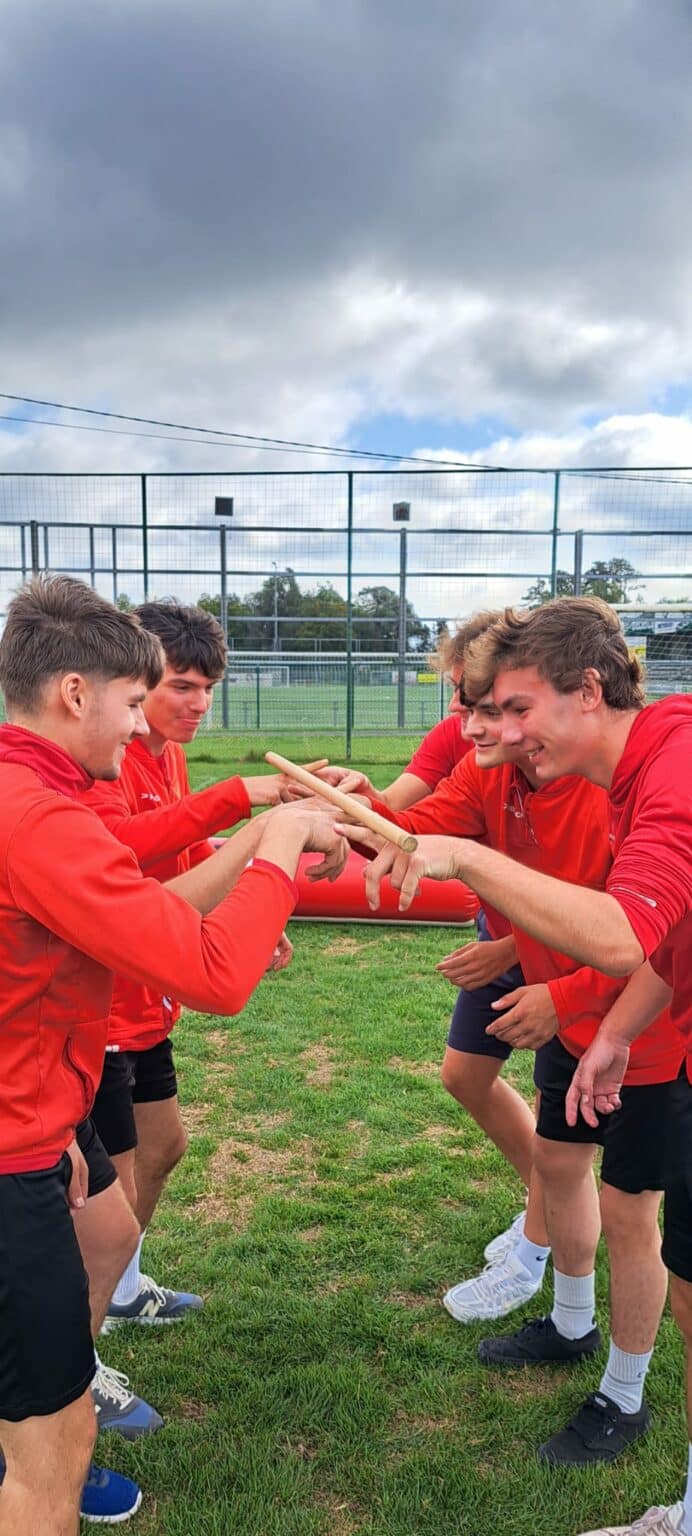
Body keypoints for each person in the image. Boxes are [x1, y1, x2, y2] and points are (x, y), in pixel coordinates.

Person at [0, 575, 346, 1534]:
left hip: (32, 1120)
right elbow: (216, 976)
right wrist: (277, 846)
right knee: (51, 1446)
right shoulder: (41, 817)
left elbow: (146, 912)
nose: (139, 722)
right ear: (75, 692)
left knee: (103, 1248)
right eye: (131, 700)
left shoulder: (34, 793)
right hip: (14, 1147)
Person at [349, 598, 691, 1527]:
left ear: (589, 692)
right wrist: (344, 811)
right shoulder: (590, 766)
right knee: (560, 1164)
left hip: (654, 1045)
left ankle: (626, 1393)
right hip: (602, 1031)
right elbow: (667, 936)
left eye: (511, 708)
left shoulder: (660, 765)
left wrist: (572, 998)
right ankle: (574, 1326)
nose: (491, 730)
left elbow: (628, 932)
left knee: (637, 1220)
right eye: (479, 709)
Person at [83, 602, 298, 1347]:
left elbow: (184, 851)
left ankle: (120, 1290)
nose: (198, 703)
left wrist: (247, 908)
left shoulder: (167, 755)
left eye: (208, 688)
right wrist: (240, 800)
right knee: (103, 1205)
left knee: (164, 1147)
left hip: (147, 998)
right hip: (104, 1011)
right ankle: (78, 1356)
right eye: (181, 686)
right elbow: (122, 849)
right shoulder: (103, 762)